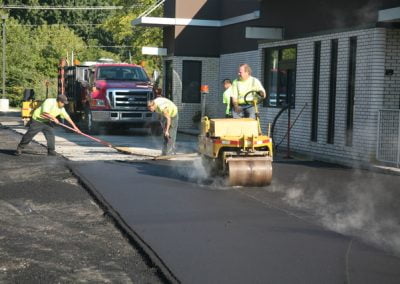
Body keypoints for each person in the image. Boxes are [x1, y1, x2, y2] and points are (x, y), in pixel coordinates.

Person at [15, 94, 81, 156]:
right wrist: (54, 118)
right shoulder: (49, 101)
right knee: (30, 134)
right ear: (58, 101)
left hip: (46, 122)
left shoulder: (61, 109)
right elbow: (44, 113)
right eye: (63, 103)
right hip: (37, 120)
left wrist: (75, 127)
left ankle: (51, 151)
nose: (63, 104)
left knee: (51, 134)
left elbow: (67, 117)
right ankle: (20, 148)